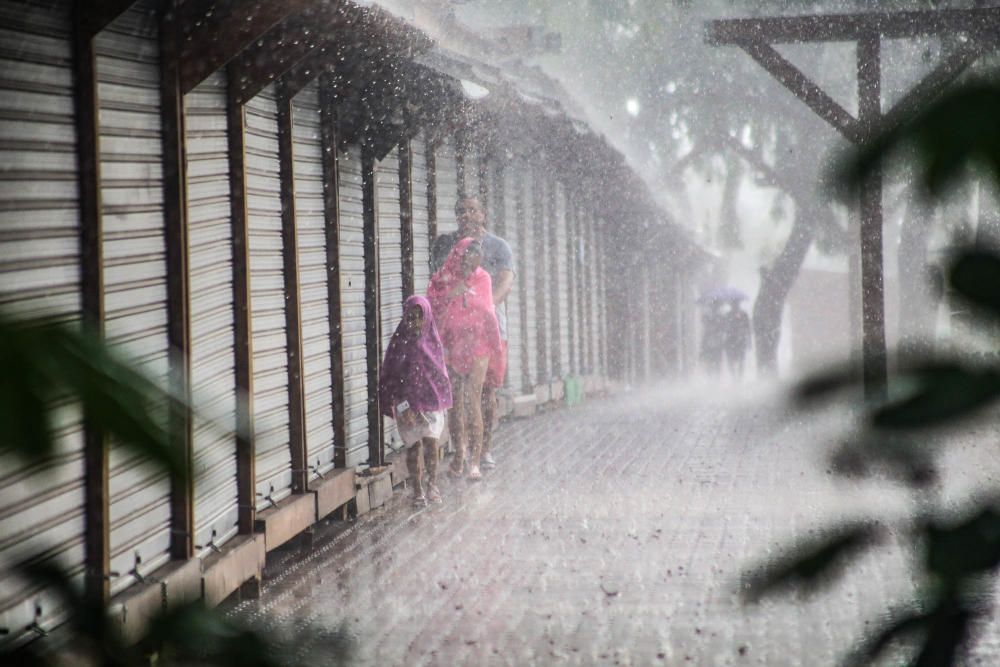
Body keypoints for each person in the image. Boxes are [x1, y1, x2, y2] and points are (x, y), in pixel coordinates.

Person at [430, 196, 514, 469]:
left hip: (489, 329)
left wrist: (482, 306)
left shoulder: (498, 247)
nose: (466, 215)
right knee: (456, 391)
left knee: (486, 391)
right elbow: (439, 284)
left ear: (483, 214)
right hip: (454, 331)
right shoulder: (445, 245)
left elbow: (505, 282)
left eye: (472, 210)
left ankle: (485, 448)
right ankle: (461, 449)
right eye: (461, 211)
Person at [427, 238, 502, 481]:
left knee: (473, 400)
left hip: (478, 345)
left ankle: (475, 461)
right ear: (459, 257)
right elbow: (432, 306)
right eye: (468, 261)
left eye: (476, 262)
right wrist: (451, 294)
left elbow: (487, 310)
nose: (472, 267)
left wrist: (494, 344)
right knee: (455, 404)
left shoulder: (483, 279)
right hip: (452, 346)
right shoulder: (443, 278)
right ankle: (459, 453)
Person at [378, 295, 453, 506]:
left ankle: (432, 485)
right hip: (407, 407)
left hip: (430, 404)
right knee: (413, 447)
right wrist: (403, 408)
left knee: (431, 442)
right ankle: (417, 489)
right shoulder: (399, 345)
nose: (414, 323)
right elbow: (391, 380)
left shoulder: (433, 345)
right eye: (410, 318)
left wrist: (434, 401)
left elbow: (439, 377)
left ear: (427, 317)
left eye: (419, 318)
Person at [723, 300, 752, 380]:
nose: (734, 306)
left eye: (735, 304)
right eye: (733, 304)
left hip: (738, 340)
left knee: (740, 360)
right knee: (732, 360)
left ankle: (738, 378)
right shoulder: (728, 315)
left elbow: (748, 328)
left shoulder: (743, 314)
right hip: (732, 340)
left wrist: (749, 341)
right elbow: (724, 328)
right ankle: (735, 377)